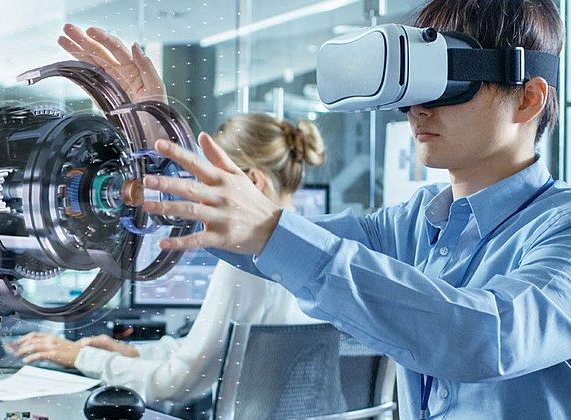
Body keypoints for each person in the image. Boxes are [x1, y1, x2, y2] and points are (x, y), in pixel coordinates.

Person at [136, 0, 571, 418]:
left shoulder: (561, 227)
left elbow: (488, 337)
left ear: (528, 98)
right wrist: (157, 152)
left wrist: (271, 231)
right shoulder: (412, 225)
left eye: (445, 82)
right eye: (414, 84)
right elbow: (257, 241)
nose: (417, 108)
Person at [13, 26, 329, 402]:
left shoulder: (249, 262)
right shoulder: (319, 252)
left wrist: (80, 355)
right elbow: (209, 357)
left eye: (214, 180)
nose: (202, 194)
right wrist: (133, 351)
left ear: (254, 182)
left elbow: (174, 385)